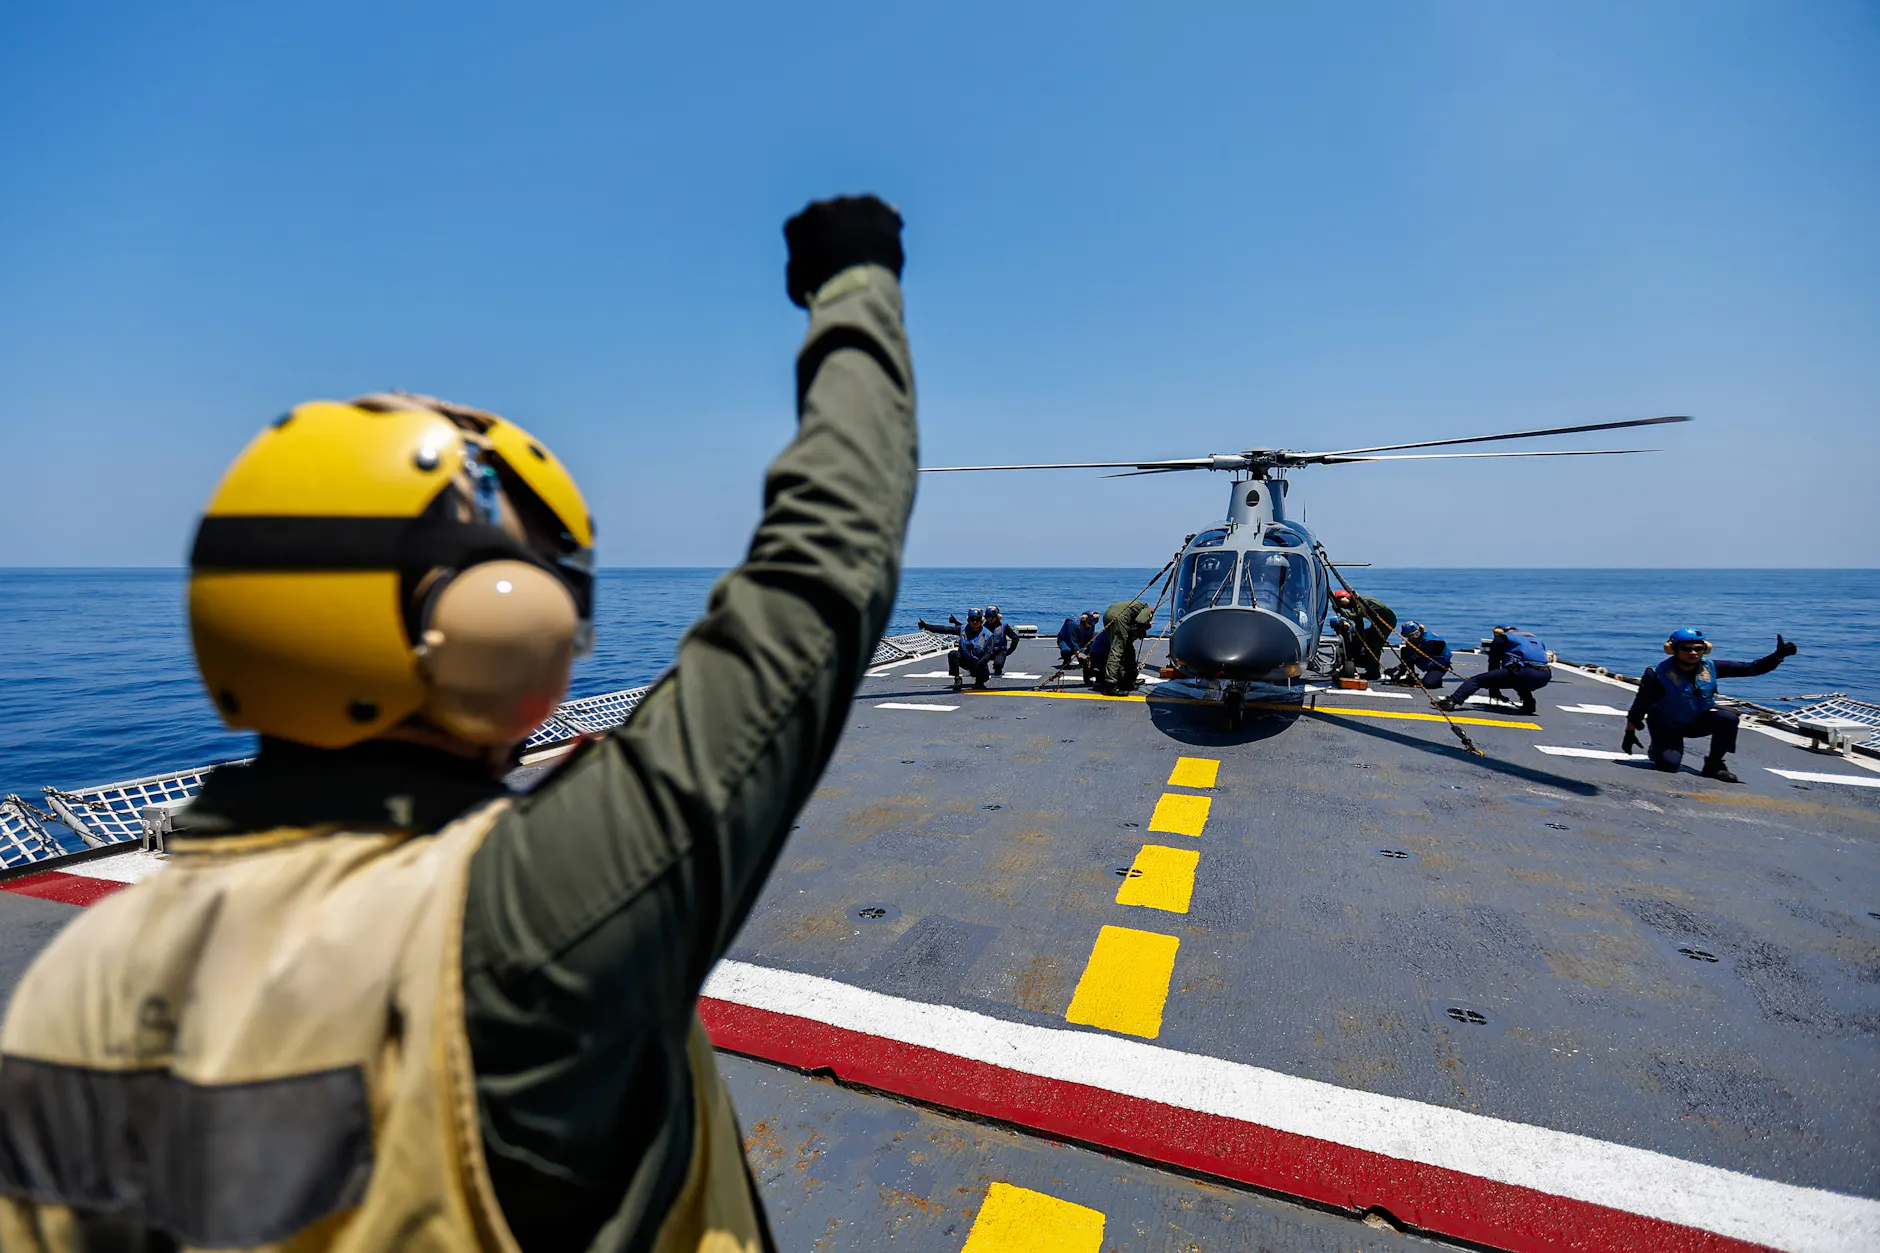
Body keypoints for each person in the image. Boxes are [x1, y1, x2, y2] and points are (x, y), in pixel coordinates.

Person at [0, 195, 915, 1253]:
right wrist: (853, 284)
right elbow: (822, 563)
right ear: (496, 626)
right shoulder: (531, 909)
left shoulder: (73, 987)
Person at [1622, 628, 1797, 782]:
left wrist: (1777, 656)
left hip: (1696, 721)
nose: (1693, 653)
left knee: (1727, 718)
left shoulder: (1711, 667)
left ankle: (1714, 765)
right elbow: (1641, 704)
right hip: (1667, 725)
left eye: (1698, 649)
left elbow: (1751, 668)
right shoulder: (1657, 673)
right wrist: (1630, 732)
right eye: (1687, 649)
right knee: (1668, 765)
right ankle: (1657, 749)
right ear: (1673, 649)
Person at [1439, 624, 1551, 714]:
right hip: (1544, 675)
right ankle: (1529, 705)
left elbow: (1494, 663)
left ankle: (1452, 701)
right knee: (1518, 680)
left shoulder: (1502, 638)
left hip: (1521, 672)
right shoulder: (1535, 639)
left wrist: (1493, 689)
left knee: (1477, 680)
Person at [1330, 588, 1397, 681]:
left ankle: (1373, 673)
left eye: (1341, 603)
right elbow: (1359, 623)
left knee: (1374, 644)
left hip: (1386, 621)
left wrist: (1341, 612)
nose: (1342, 606)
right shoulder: (1353, 605)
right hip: (1377, 621)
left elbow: (1356, 616)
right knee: (1365, 639)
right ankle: (1368, 665)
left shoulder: (1359, 602)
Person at [1096, 599, 1156, 694]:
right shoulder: (1147, 609)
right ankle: (1110, 685)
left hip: (1108, 615)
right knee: (1117, 650)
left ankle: (1129, 679)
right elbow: (1141, 621)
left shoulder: (1133, 606)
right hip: (1120, 617)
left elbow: (1134, 624)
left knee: (1128, 649)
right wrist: (1147, 625)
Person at [1387, 621, 1453, 690]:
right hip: (1427, 661)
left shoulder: (1429, 642)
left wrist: (1396, 671)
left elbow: (1413, 659)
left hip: (1439, 665)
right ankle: (1412, 676)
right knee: (1405, 650)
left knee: (1428, 684)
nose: (1409, 638)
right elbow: (1409, 659)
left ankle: (1436, 680)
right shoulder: (1412, 641)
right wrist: (1399, 673)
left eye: (1410, 636)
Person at [948, 608, 997, 690]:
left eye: (977, 620)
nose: (975, 622)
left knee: (982, 680)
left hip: (978, 662)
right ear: (968, 620)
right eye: (972, 620)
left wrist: (980, 663)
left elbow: (989, 653)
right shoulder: (963, 629)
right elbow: (944, 629)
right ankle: (957, 679)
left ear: (981, 621)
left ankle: (979, 680)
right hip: (965, 660)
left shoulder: (988, 635)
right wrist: (926, 626)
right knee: (953, 654)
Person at [984, 604, 1021, 675]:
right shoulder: (981, 627)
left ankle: (998, 667)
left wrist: (1009, 651)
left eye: (993, 617)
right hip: (986, 651)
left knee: (998, 665)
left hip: (999, 651)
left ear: (997, 617)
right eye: (988, 616)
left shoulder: (1004, 626)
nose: (990, 619)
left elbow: (1015, 638)